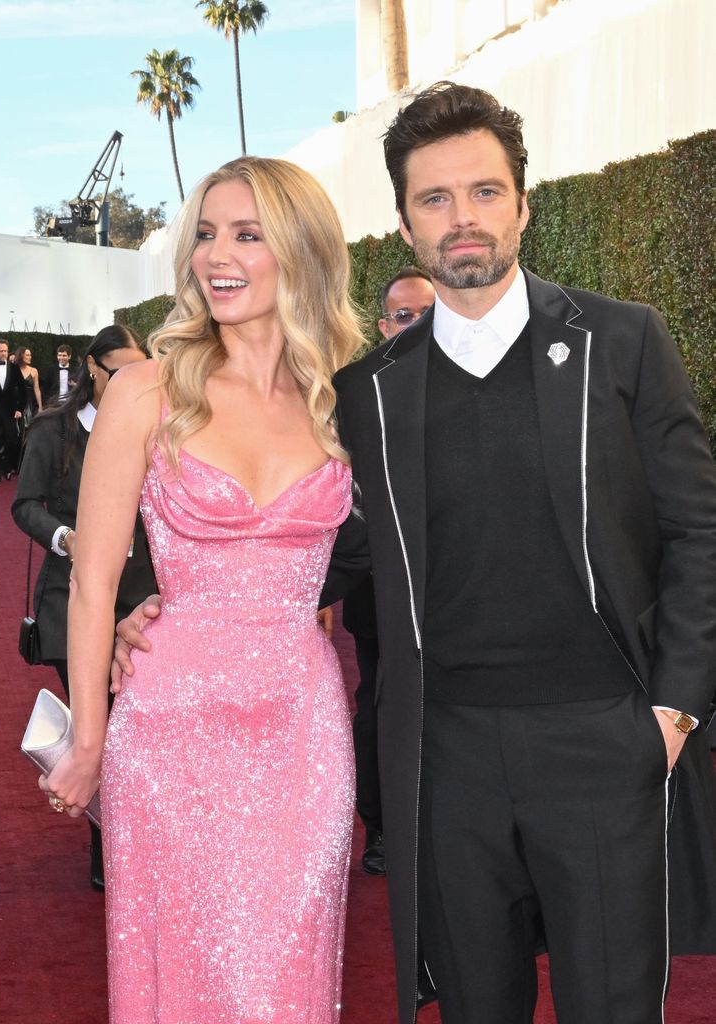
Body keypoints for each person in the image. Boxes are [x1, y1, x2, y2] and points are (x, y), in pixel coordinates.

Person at [116, 83, 716, 1023]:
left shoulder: (621, 342)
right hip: (445, 759)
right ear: (404, 224)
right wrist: (164, 607)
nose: (461, 218)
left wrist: (672, 712)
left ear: (523, 203)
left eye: (483, 192)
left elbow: (697, 529)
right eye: (433, 200)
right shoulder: (369, 391)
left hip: (603, 741)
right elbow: (320, 537)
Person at [38, 157, 365, 1022]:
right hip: (170, 730)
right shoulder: (149, 390)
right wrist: (89, 743)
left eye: (247, 234)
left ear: (298, 252)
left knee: (285, 976)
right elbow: (94, 581)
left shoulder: (346, 398)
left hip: (302, 732)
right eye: (207, 235)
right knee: (180, 975)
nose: (216, 255)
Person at [12, 325, 156, 889]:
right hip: (71, 601)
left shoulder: (159, 422)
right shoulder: (54, 429)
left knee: (139, 731)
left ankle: (141, 846)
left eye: (137, 368)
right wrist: (68, 537)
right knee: (98, 726)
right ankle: (109, 854)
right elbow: (25, 506)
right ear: (92, 368)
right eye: (117, 370)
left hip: (145, 599)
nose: (129, 380)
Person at [343, 266, 435, 876]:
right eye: (404, 316)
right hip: (379, 591)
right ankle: (381, 830)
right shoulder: (355, 394)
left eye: (427, 314)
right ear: (382, 326)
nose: (417, 326)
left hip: (458, 594)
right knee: (381, 708)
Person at [0, 338, 25, 481]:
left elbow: (22, 389)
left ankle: (7, 469)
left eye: (6, 351)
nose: (4, 353)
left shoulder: (14, 368)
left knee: (11, 440)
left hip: (10, 411)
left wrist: (20, 408)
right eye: (1, 351)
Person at [13, 346, 43, 426]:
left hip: (31, 404)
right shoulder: (12, 370)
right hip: (16, 403)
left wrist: (40, 407)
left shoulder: (34, 371)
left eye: (30, 355)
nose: (30, 357)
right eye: (27, 355)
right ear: (21, 356)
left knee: (31, 427)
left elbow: (37, 389)